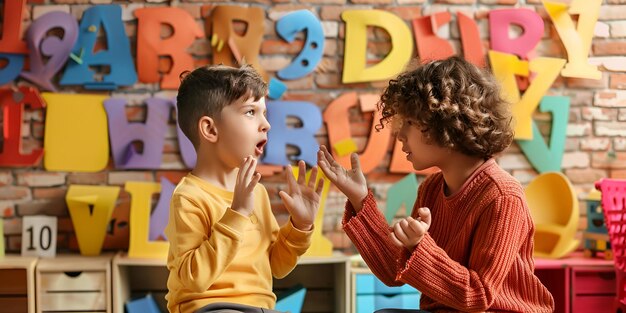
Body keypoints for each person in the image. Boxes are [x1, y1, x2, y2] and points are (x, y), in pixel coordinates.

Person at [317, 56, 554, 312]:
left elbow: (478, 295)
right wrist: (360, 200)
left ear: (446, 122)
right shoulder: (430, 189)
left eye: (409, 122)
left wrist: (420, 246)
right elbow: (392, 271)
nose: (399, 134)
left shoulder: (503, 196)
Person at [165, 64, 324, 313]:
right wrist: (237, 213)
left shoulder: (256, 192)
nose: (266, 125)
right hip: (210, 307)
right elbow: (193, 278)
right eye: (250, 112)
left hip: (261, 308)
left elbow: (276, 266)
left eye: (264, 113)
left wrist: (300, 227)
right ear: (210, 129)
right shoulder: (189, 197)